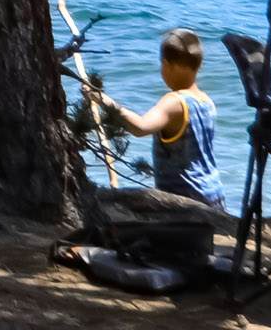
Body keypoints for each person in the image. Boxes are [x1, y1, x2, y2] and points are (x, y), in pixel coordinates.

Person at [88, 28, 235, 204]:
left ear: (167, 64)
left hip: (185, 200)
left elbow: (140, 127)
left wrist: (103, 100)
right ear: (199, 64)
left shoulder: (174, 102)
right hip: (213, 194)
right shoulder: (206, 101)